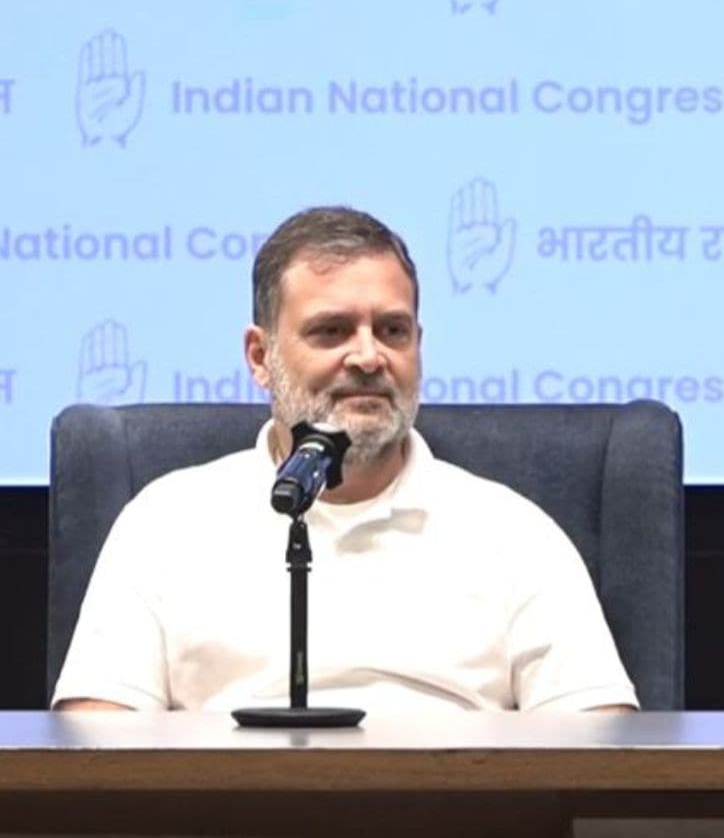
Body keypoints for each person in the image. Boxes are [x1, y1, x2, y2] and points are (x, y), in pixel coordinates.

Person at [54, 207, 638, 712]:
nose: (368, 357)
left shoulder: (513, 533)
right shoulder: (164, 523)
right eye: (332, 331)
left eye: (392, 330)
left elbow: (597, 752)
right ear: (260, 356)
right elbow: (98, 749)